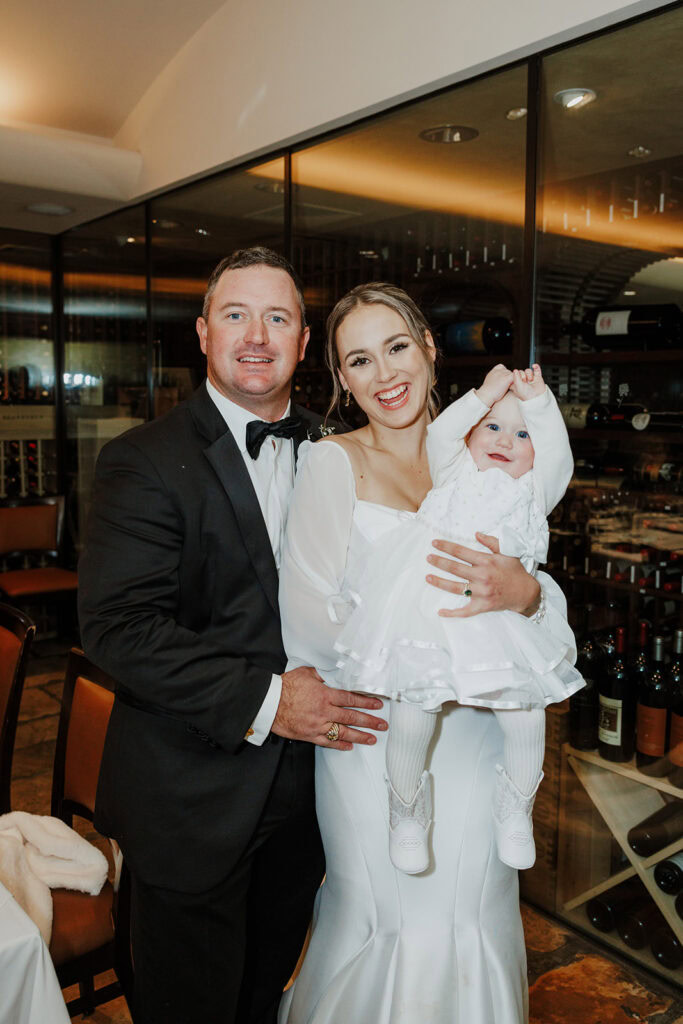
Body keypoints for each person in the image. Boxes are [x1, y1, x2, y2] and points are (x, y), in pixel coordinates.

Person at [77, 248, 388, 1024]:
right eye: (236, 315)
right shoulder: (141, 461)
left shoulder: (343, 452)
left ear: (303, 342)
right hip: (191, 795)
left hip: (313, 792)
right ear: (203, 333)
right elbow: (121, 630)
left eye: (277, 317)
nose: (256, 335)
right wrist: (272, 702)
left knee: (264, 992)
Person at [278, 282, 578, 1024]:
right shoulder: (332, 463)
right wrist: (422, 660)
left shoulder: (496, 454)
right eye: (359, 359)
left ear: (429, 348)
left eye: (396, 347)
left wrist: (525, 595)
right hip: (377, 735)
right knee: (395, 924)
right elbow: (306, 622)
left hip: (484, 739)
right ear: (341, 378)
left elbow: (541, 603)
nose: (384, 373)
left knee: (474, 916)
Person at [333, 361, 584, 875]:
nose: (505, 440)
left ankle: (516, 809)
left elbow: (560, 455)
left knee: (526, 715)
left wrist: (540, 402)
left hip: (498, 622)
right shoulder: (453, 470)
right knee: (412, 716)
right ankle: (405, 812)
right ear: (471, 434)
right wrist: (483, 394)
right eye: (492, 426)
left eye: (523, 435)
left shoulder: (534, 491)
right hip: (430, 615)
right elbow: (441, 431)